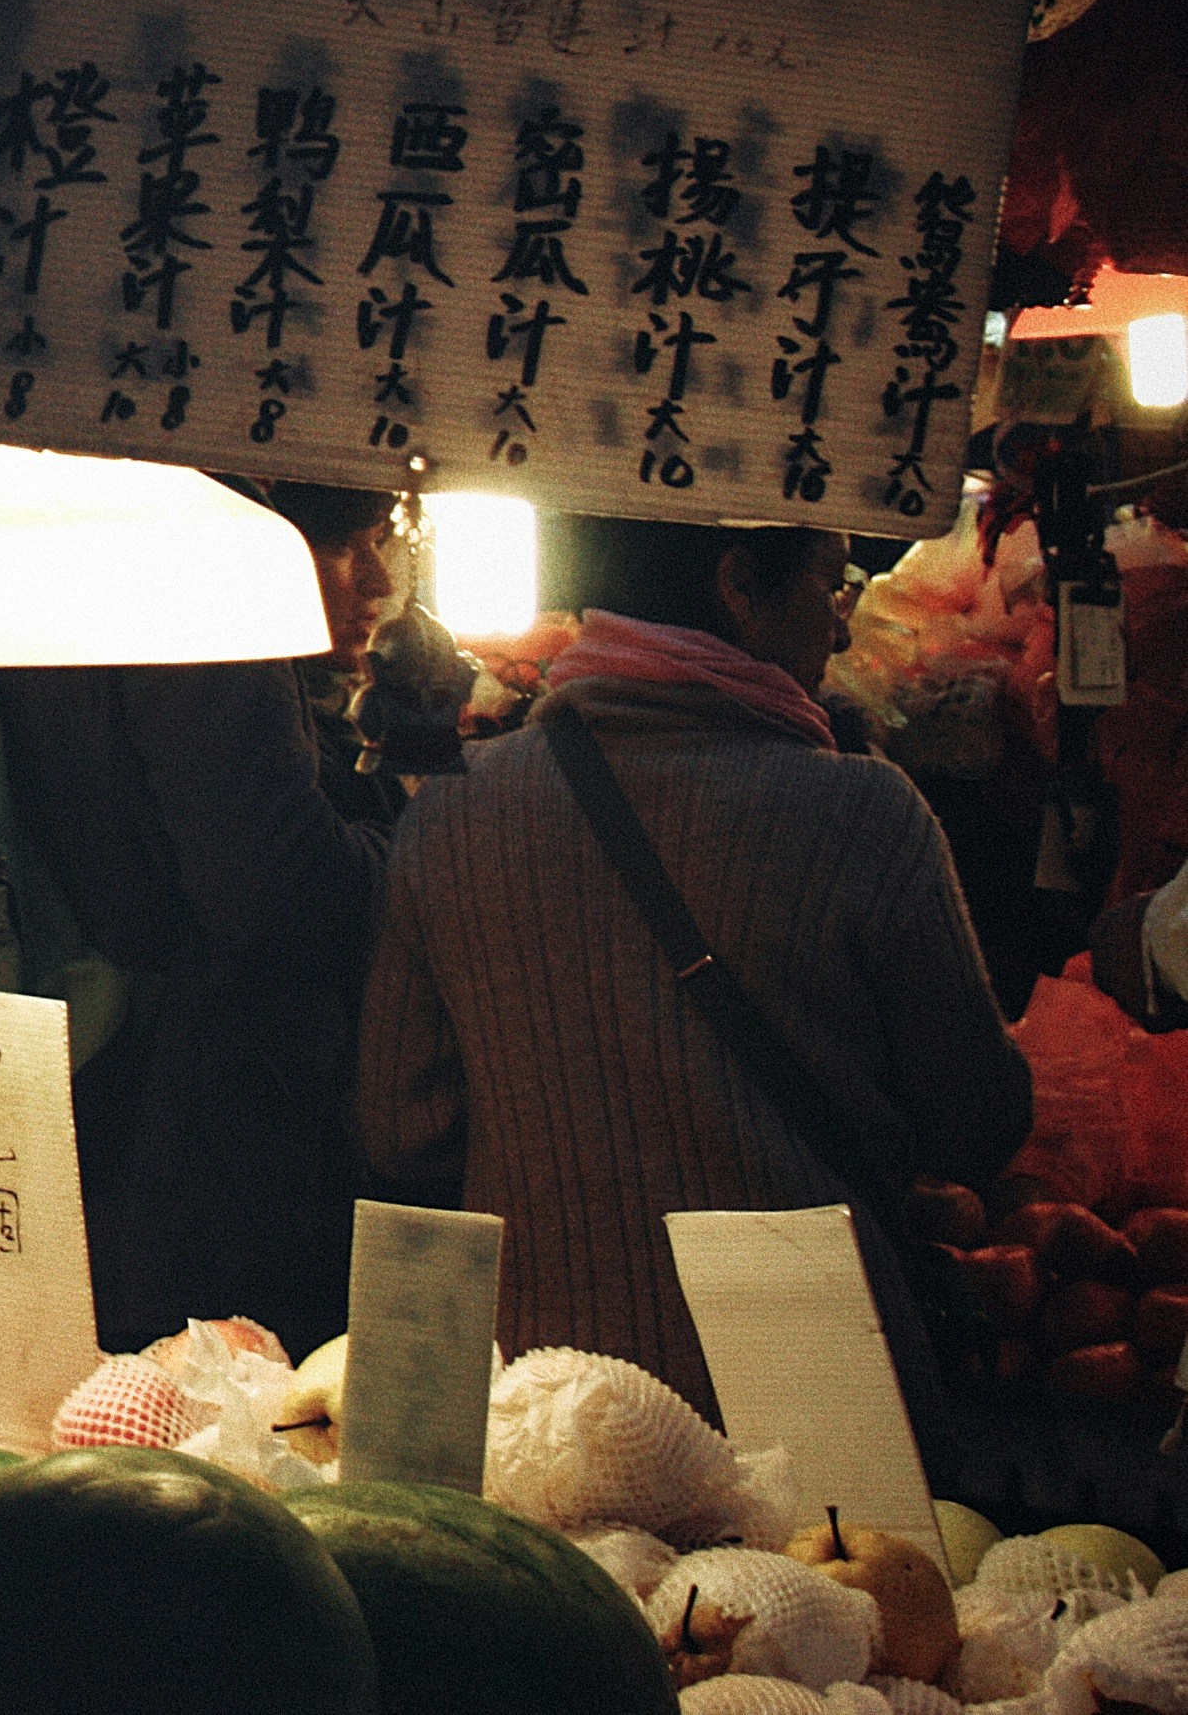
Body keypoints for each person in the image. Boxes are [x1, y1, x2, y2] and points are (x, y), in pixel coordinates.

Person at [356, 516, 1031, 1431]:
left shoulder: (449, 815)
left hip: (548, 1401)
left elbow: (404, 1130)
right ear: (738, 584)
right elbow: (972, 1122)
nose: (839, 627)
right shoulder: (865, 814)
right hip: (815, 1393)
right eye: (830, 586)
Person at [0, 481, 406, 1354]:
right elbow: (277, 888)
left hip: (15, 1112)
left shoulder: (16, 535)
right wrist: (408, 825)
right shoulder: (203, 561)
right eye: (348, 543)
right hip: (176, 1159)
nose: (378, 580)